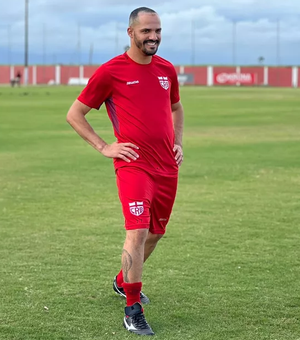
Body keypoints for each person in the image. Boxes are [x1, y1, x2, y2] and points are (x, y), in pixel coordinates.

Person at [66, 6, 184, 336]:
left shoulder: (166, 70)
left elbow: (176, 107)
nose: (154, 37)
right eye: (147, 31)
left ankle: (122, 281)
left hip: (166, 166)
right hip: (133, 166)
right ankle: (133, 309)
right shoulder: (111, 71)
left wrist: (178, 142)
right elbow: (75, 114)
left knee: (157, 232)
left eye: (157, 30)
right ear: (131, 33)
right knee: (138, 230)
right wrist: (105, 147)